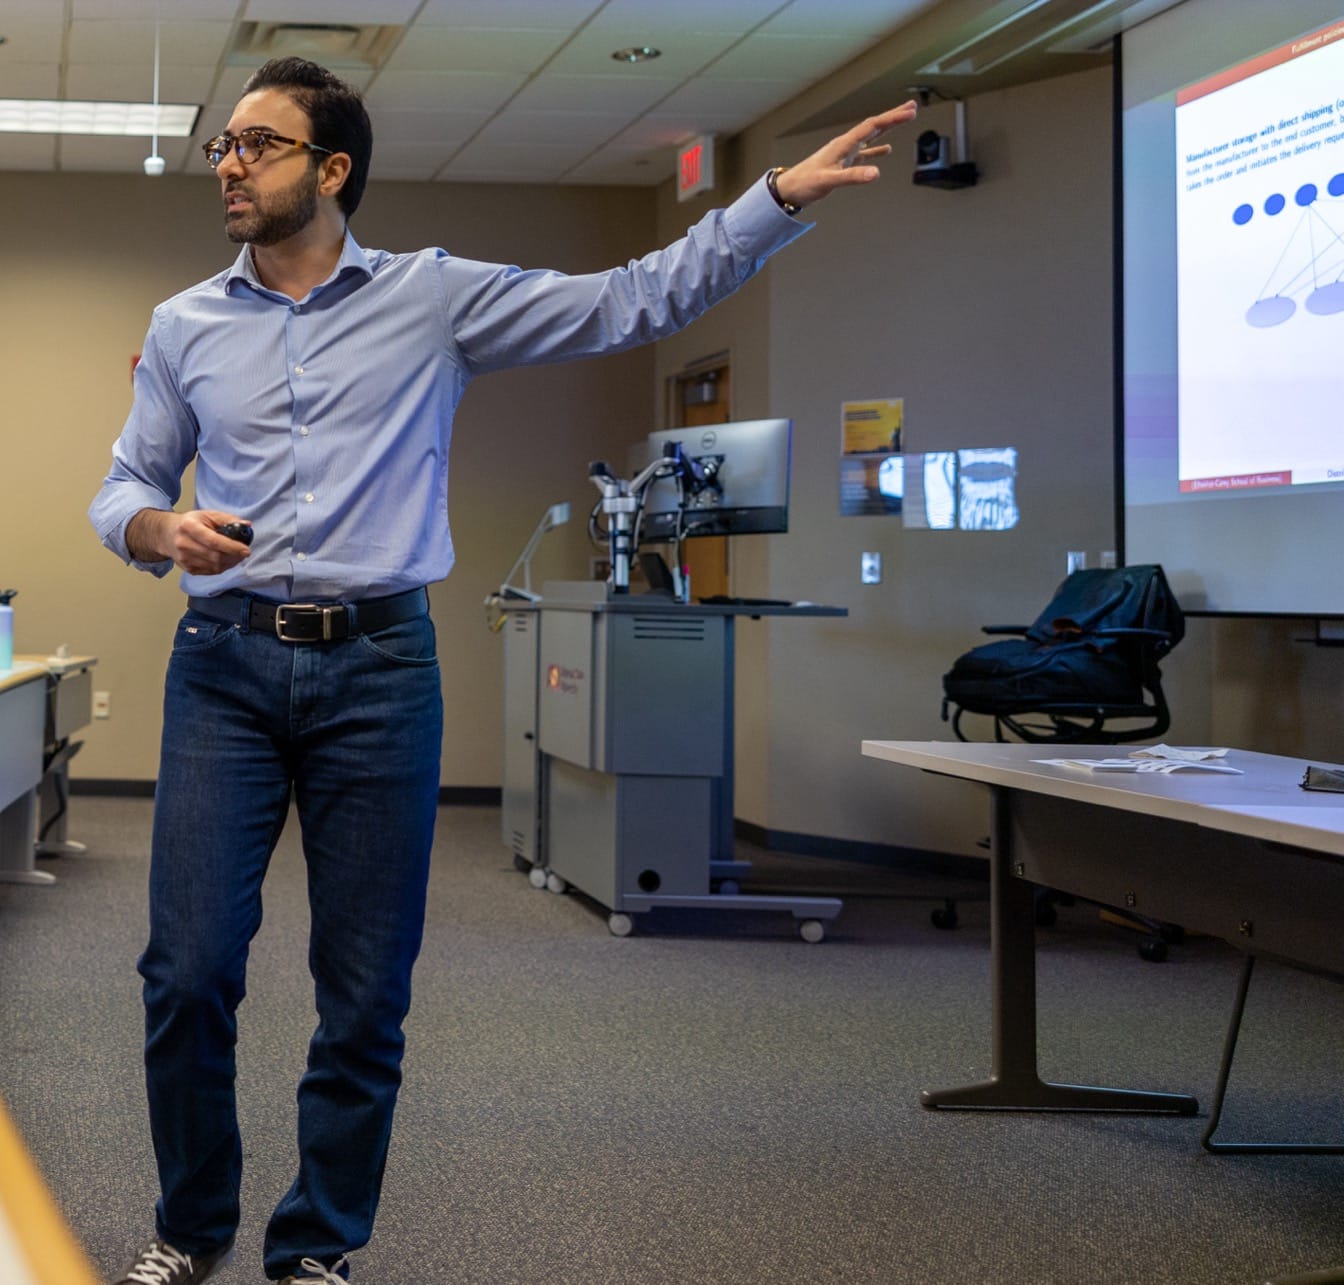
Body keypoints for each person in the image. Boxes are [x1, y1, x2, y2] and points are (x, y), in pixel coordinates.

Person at [87, 58, 916, 1285]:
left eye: (257, 145)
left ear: (331, 169)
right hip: (225, 665)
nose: (228, 163)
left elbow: (631, 300)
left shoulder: (434, 299)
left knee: (364, 991)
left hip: (379, 667)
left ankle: (315, 1242)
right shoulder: (183, 325)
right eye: (223, 144)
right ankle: (191, 1224)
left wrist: (774, 200)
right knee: (188, 968)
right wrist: (157, 530)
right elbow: (125, 487)